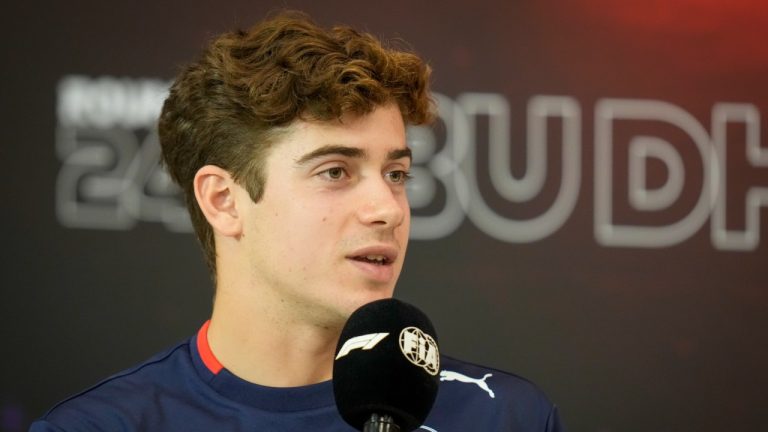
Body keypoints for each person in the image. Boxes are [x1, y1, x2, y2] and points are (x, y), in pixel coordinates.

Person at [30, 11, 564, 431]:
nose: (387, 209)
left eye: (396, 173)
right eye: (335, 171)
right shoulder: (103, 425)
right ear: (223, 200)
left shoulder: (503, 415)